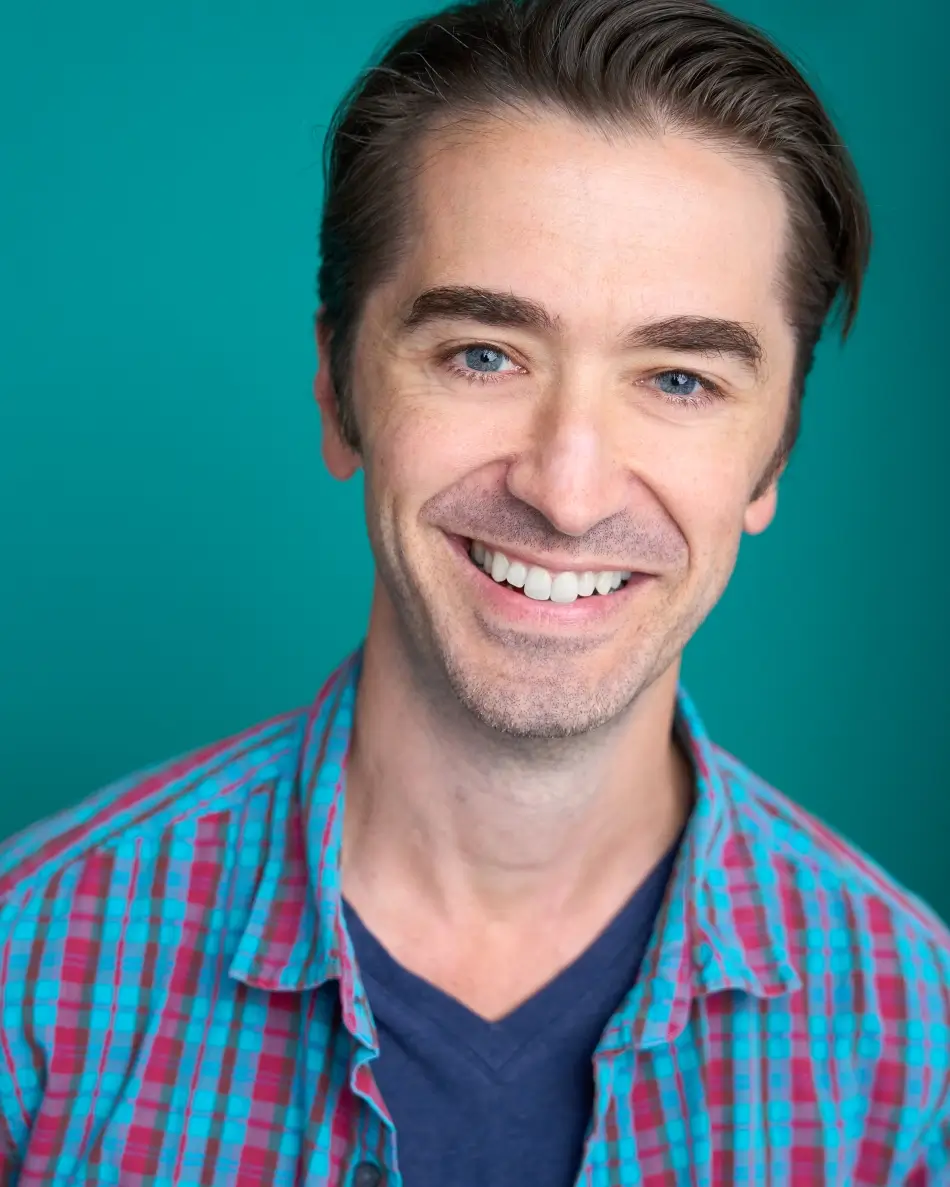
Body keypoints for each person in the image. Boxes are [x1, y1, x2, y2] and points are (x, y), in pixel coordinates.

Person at [2, 0, 948, 1182]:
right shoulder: (27, 971)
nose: (566, 487)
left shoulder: (919, 1054)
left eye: (678, 378)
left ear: (775, 457)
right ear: (338, 390)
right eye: (482, 355)